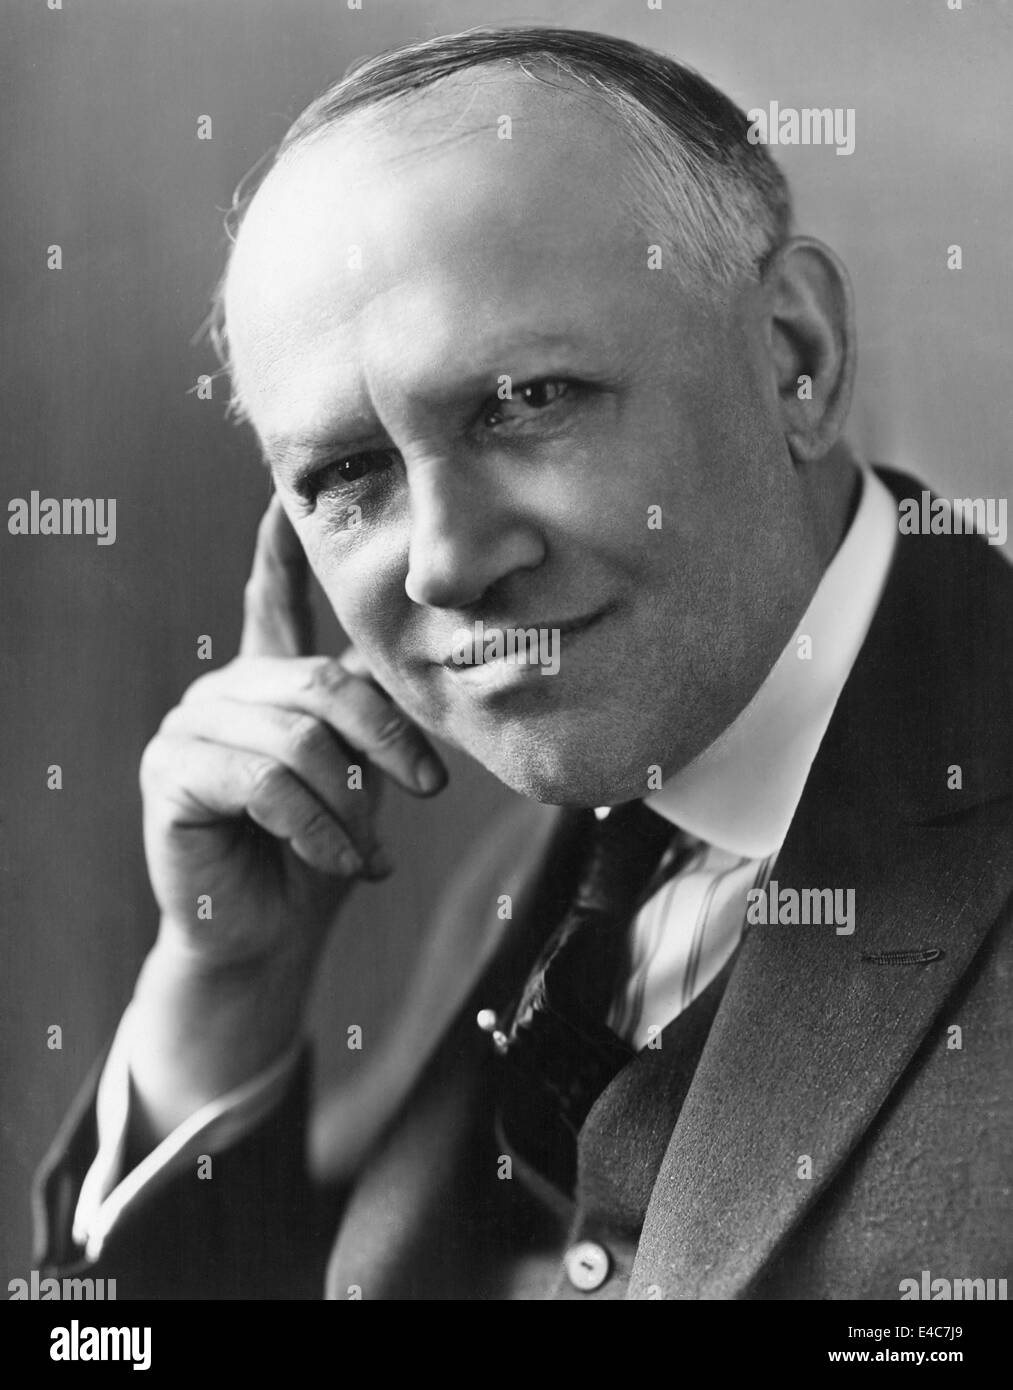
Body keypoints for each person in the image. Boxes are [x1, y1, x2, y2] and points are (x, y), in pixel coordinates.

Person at [34, 26, 1012, 1300]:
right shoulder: (508, 873)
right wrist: (227, 989)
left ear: (793, 358)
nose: (440, 565)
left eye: (525, 402)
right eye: (345, 474)